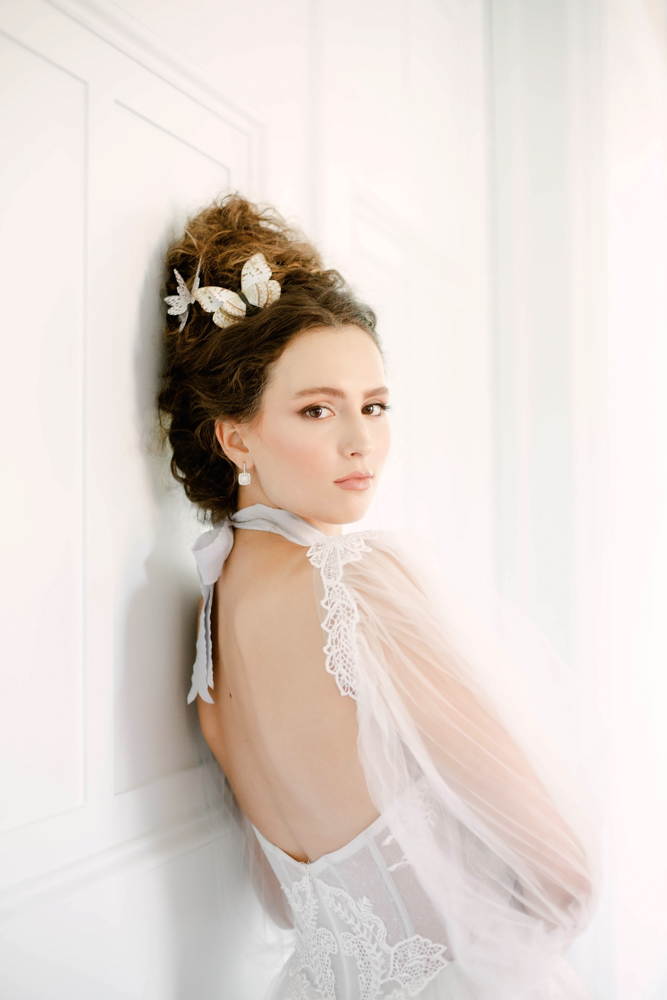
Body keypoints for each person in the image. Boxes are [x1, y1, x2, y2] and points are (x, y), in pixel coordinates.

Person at [158, 195, 600, 1000]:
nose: (361, 441)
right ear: (235, 435)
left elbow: (279, 899)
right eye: (317, 409)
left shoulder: (209, 629)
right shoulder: (359, 579)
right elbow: (561, 869)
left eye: (374, 406)